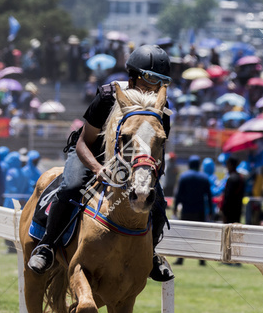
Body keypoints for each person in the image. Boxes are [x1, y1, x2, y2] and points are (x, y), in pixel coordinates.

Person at [27, 44, 174, 281]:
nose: (154, 88)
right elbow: (84, 142)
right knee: (72, 187)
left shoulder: (161, 108)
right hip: (91, 154)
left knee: (157, 202)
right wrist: (98, 169)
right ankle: (47, 245)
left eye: (161, 82)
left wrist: (151, 173)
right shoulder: (107, 96)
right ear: (133, 77)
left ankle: (151, 254)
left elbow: (159, 150)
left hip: (132, 163)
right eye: (150, 79)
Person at [173, 155, 213, 266]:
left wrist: (175, 209)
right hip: (200, 210)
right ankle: (202, 260)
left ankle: (180, 259)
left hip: (186, 210)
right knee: (200, 235)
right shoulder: (204, 178)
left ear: (189, 164)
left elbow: (178, 195)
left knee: (184, 235)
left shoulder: (183, 177)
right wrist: (210, 211)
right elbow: (208, 196)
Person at [220, 156, 246, 225]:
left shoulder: (231, 179)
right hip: (238, 210)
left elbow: (227, 198)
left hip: (230, 213)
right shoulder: (241, 178)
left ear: (230, 165)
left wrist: (224, 213)